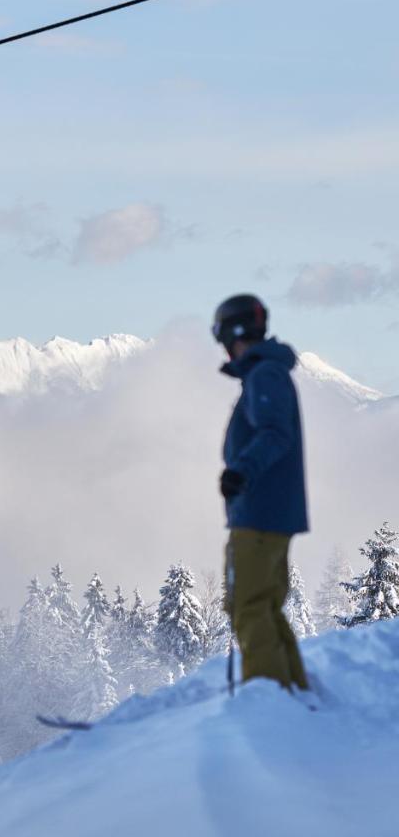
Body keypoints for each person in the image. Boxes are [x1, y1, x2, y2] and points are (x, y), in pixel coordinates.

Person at [214, 294, 309, 691]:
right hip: (267, 512)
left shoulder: (264, 375)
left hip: (260, 514)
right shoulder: (265, 373)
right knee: (263, 606)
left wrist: (240, 472)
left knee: (249, 606)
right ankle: (293, 695)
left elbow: (275, 433)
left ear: (233, 333)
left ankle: (270, 702)